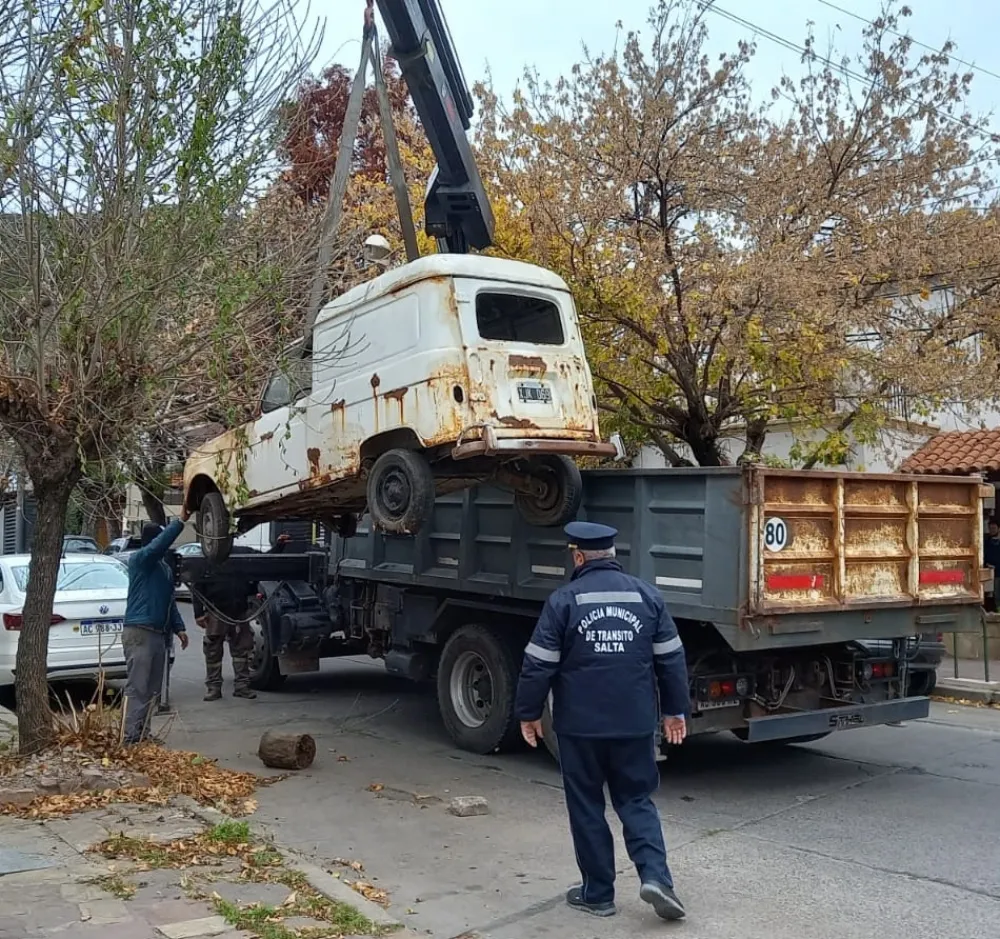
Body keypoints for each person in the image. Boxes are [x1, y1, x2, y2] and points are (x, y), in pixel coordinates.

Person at [515, 521, 690, 922]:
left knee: (586, 805)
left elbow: (538, 665)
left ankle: (597, 895)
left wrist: (528, 712)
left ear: (578, 557)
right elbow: (671, 660)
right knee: (636, 800)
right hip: (634, 723)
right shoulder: (647, 596)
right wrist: (674, 711)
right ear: (612, 555)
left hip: (580, 727)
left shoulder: (563, 601)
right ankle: (657, 879)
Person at [193, 533, 291, 701]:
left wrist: (279, 546)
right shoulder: (207, 558)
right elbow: (197, 586)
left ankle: (242, 687)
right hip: (216, 610)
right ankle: (214, 688)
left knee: (242, 651)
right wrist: (198, 613)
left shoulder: (244, 553)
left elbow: (264, 561)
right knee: (213, 651)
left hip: (239, 611)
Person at [122, 512, 190, 744]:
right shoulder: (141, 560)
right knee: (138, 687)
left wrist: (179, 628)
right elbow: (158, 546)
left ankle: (143, 734)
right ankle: (130, 737)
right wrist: (180, 522)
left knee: (152, 689)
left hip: (158, 634)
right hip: (140, 631)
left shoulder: (164, 569)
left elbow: (169, 601)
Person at [984, 518, 1000, 613]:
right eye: (990, 528)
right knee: (990, 596)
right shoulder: (987, 542)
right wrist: (987, 564)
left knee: (998, 595)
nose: (992, 530)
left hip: (998, 573)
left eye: (994, 528)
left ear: (999, 529)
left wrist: (996, 567)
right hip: (989, 574)